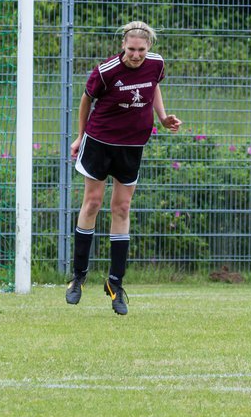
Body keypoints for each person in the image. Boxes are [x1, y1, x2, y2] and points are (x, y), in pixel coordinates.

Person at [67, 20, 181, 315]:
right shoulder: (106, 71)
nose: (136, 55)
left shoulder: (156, 64)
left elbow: (153, 87)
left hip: (132, 145)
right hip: (100, 141)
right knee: (92, 203)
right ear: (123, 46)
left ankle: (115, 284)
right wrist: (80, 136)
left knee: (122, 209)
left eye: (141, 50)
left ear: (149, 48)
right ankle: (78, 277)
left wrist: (163, 117)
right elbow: (86, 100)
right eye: (131, 49)